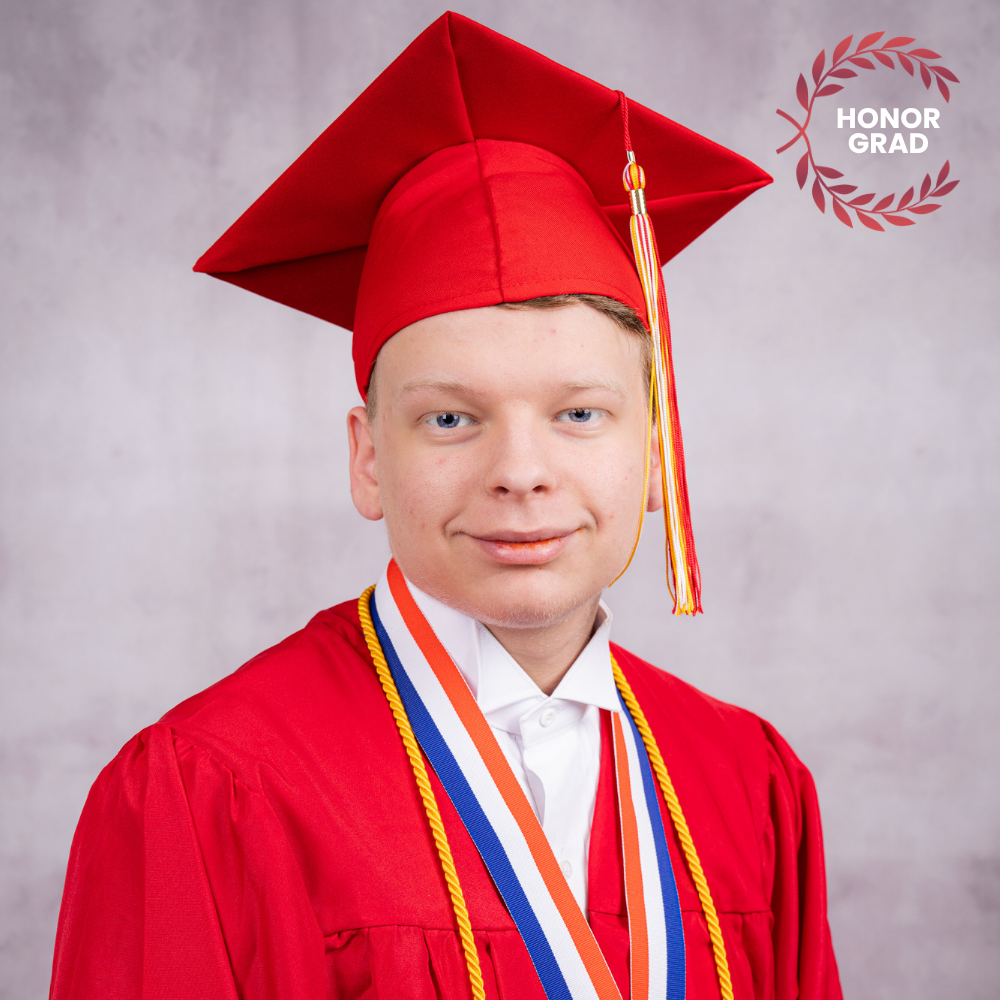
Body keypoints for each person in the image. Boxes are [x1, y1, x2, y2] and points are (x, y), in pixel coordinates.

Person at [50, 12, 842, 1000]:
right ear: (366, 458)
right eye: (453, 419)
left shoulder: (744, 780)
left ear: (655, 451)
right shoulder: (209, 790)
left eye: (580, 412)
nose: (520, 471)